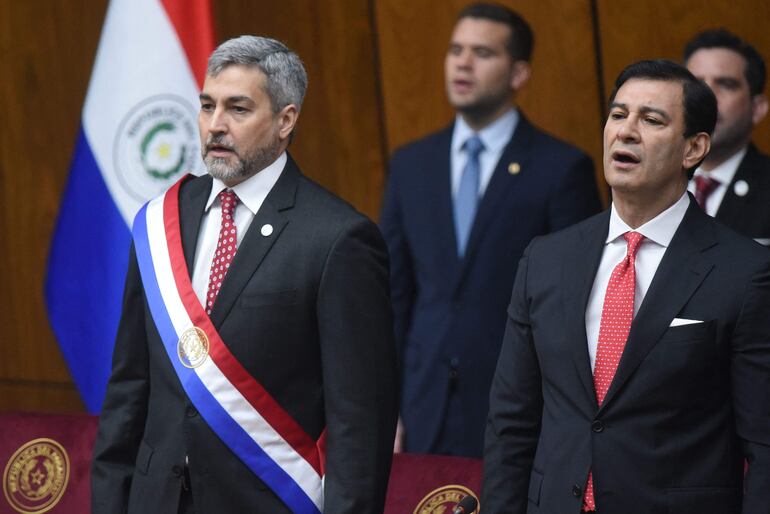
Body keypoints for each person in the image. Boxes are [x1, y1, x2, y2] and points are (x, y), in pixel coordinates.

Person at [91, 35, 397, 514]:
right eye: (207, 105)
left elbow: (359, 422)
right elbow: (130, 386)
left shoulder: (339, 238)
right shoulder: (159, 221)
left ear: (285, 120)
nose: (215, 125)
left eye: (238, 109)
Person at [481, 59, 770, 513]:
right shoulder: (546, 258)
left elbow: (765, 444)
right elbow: (510, 422)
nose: (626, 131)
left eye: (651, 120)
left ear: (693, 148)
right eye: (618, 115)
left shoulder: (745, 271)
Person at [380, 2, 601, 458]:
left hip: (519, 411)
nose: (462, 62)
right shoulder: (411, 165)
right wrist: (389, 405)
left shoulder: (561, 168)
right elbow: (394, 295)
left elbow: (573, 304)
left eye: (482, 53)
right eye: (455, 50)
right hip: (425, 408)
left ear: (518, 74)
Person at [684, 29, 770, 245]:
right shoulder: (651, 183)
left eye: (725, 84)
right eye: (695, 84)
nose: (707, 97)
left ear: (757, 108)